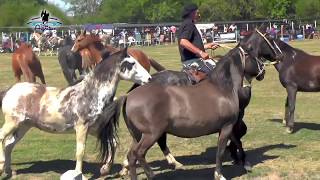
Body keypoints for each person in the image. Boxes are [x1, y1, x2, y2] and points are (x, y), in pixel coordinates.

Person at [178, 3, 220, 75]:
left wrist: (207, 46)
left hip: (191, 61)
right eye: (197, 13)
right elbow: (183, 41)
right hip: (194, 62)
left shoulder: (185, 24)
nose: (199, 15)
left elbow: (191, 44)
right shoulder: (189, 24)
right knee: (219, 72)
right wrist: (200, 53)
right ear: (192, 13)